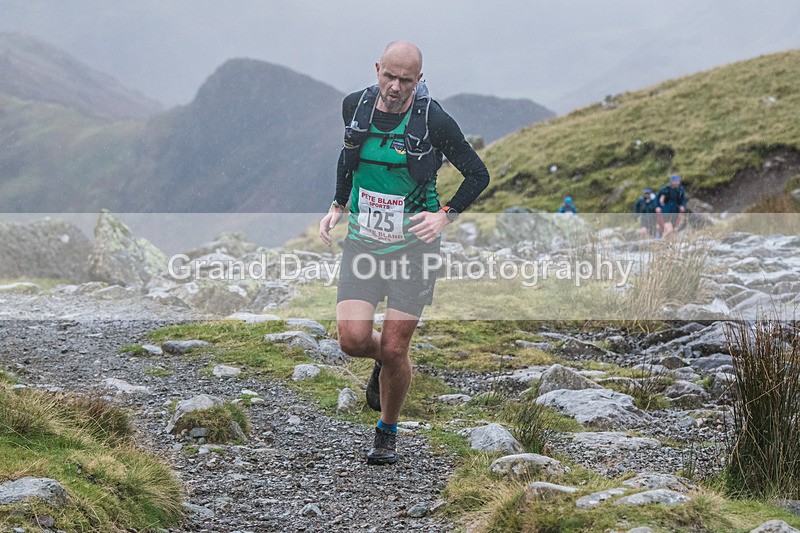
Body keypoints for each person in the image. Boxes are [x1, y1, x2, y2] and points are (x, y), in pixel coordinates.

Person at [319, 41, 489, 465]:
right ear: (378, 69)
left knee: (396, 349)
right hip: (363, 243)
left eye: (406, 80)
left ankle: (386, 430)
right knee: (353, 340)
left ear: (420, 79)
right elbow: (348, 157)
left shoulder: (433, 119)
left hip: (415, 248)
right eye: (389, 77)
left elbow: (477, 174)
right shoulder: (354, 106)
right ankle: (388, 364)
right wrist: (338, 205)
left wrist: (444, 215)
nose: (395, 87)